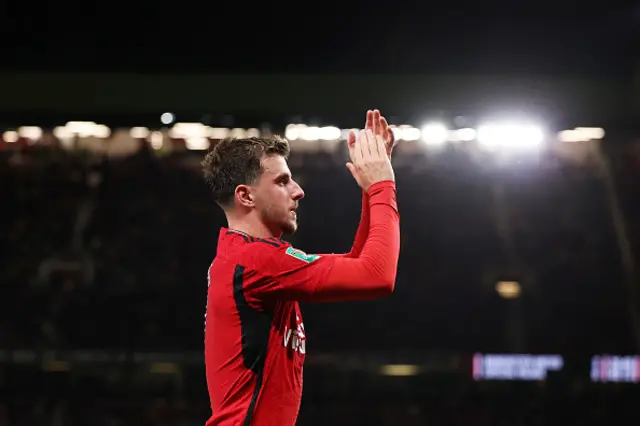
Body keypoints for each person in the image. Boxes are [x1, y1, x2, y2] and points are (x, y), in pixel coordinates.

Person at [201, 110, 400, 426]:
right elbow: (378, 275)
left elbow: (359, 264)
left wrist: (368, 191)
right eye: (282, 181)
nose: (298, 191)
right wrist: (382, 186)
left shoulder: (249, 257)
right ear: (246, 196)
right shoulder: (257, 262)